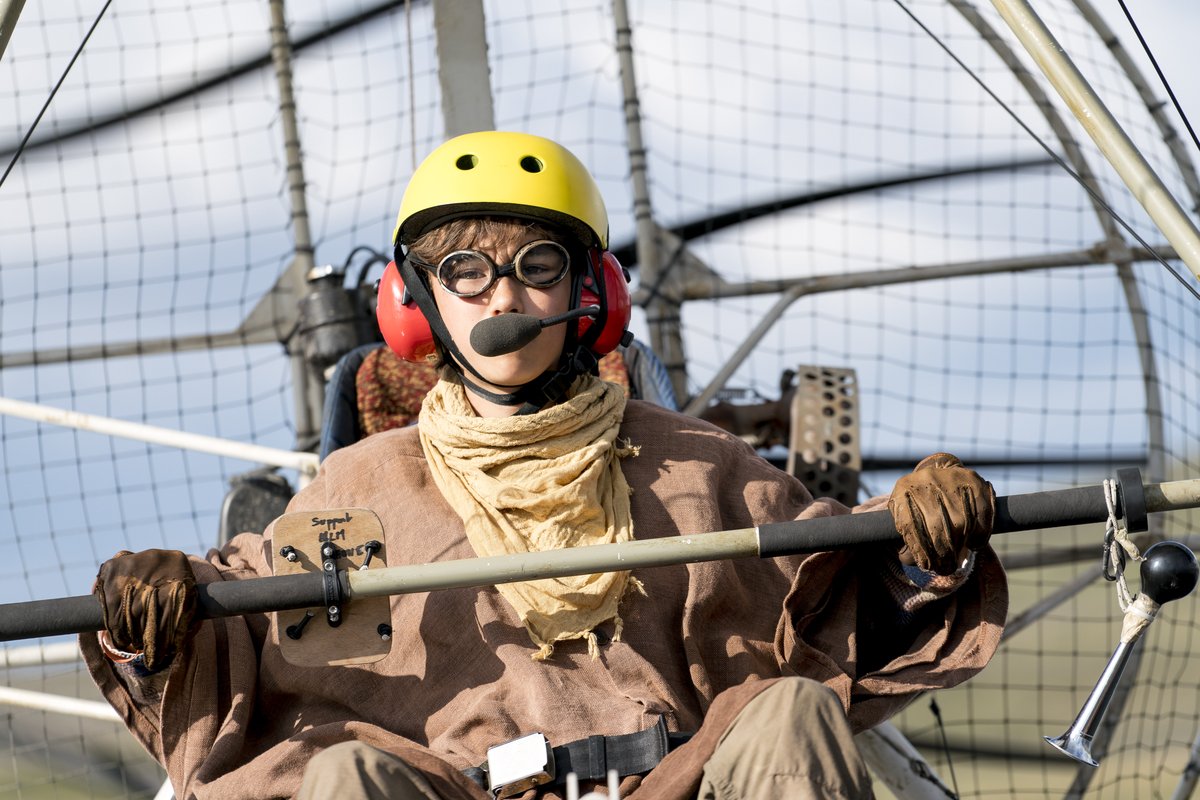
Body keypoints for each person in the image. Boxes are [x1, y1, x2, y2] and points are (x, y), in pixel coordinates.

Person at [81, 131, 1007, 800]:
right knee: (347, 776)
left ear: (592, 290)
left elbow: (832, 596)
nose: (503, 294)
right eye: (467, 273)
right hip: (460, 793)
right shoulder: (359, 487)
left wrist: (924, 550)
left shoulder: (699, 462)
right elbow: (247, 631)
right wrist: (152, 615)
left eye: (534, 263)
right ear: (416, 305)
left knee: (794, 712)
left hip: (674, 781)